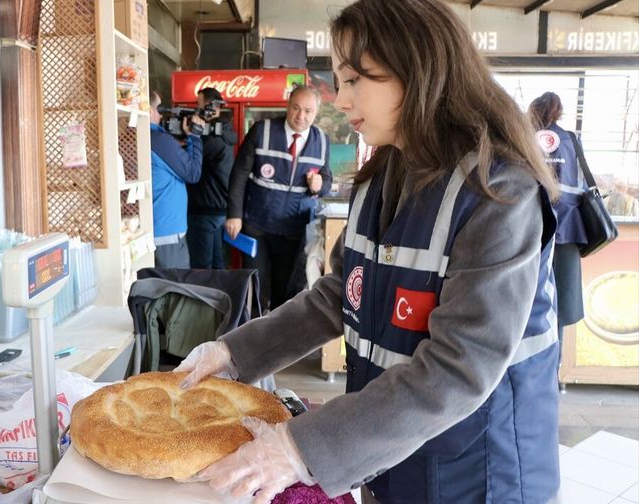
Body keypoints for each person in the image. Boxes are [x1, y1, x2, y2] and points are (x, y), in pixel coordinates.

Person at [174, 1, 562, 503]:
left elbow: (460, 366)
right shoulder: (382, 176)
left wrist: (298, 448)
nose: (339, 99)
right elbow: (340, 295)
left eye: (356, 80)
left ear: (418, 69)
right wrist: (235, 353)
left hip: (480, 471)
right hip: (388, 456)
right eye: (338, 81)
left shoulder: (498, 193)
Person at [226, 85, 332, 310]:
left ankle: (274, 337)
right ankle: (251, 334)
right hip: (257, 225)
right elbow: (239, 174)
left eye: (308, 111)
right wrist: (234, 214)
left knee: (285, 289)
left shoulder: (322, 141)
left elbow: (327, 180)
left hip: (293, 229)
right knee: (256, 284)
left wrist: (319, 186)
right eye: (295, 108)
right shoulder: (261, 130)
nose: (300, 116)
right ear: (287, 105)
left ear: (316, 113)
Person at [528, 92, 587, 368]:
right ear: (559, 112)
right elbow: (583, 185)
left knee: (529, 303)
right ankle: (555, 371)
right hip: (568, 232)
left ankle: (531, 370)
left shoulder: (526, 139)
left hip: (533, 232)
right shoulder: (571, 140)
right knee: (559, 307)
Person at [149, 90, 205, 268]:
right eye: (158, 109)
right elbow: (193, 173)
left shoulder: (132, 136)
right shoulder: (159, 140)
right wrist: (194, 137)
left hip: (150, 229)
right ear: (148, 110)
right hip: (167, 233)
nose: (160, 115)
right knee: (175, 288)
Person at [186, 87, 238, 269]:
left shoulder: (211, 138)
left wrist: (192, 135)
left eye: (199, 105)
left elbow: (187, 163)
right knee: (217, 264)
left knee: (202, 268)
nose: (196, 109)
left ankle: (204, 298)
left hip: (204, 209)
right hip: (218, 210)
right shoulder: (224, 133)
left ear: (211, 107)